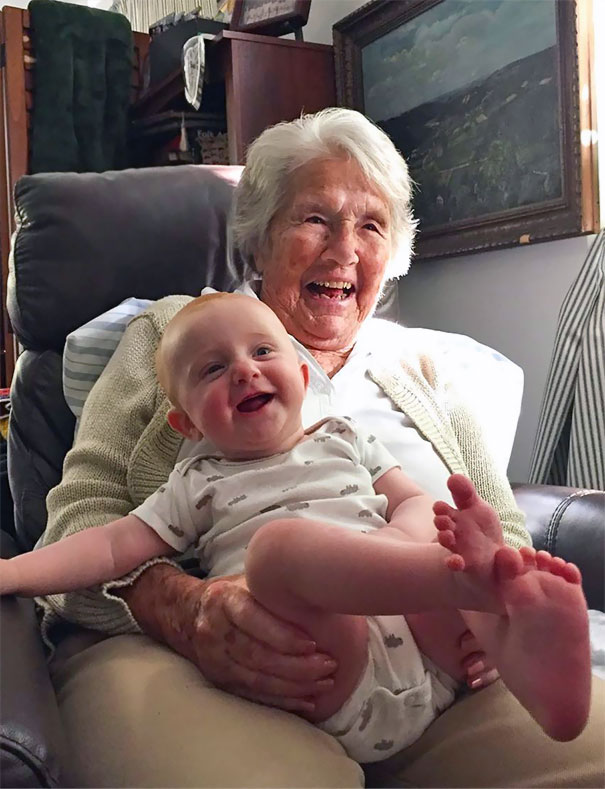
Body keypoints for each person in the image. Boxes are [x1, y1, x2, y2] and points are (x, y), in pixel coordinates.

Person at [37, 109, 604, 787]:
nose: (344, 250)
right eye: (315, 218)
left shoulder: (429, 369)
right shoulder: (173, 338)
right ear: (259, 239)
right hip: (206, 663)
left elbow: (498, 525)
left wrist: (495, 609)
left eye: (370, 226)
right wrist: (181, 607)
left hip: (438, 668)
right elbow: (80, 517)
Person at [3, 292, 591, 756]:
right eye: (213, 369)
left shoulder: (345, 437)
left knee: (440, 539)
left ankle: (531, 674)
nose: (242, 371)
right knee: (278, 550)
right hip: (326, 669)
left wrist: (404, 546)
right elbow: (106, 545)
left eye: (262, 353)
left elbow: (412, 502)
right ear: (185, 425)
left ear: (304, 380)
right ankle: (470, 587)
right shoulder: (194, 482)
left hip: (429, 654)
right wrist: (12, 571)